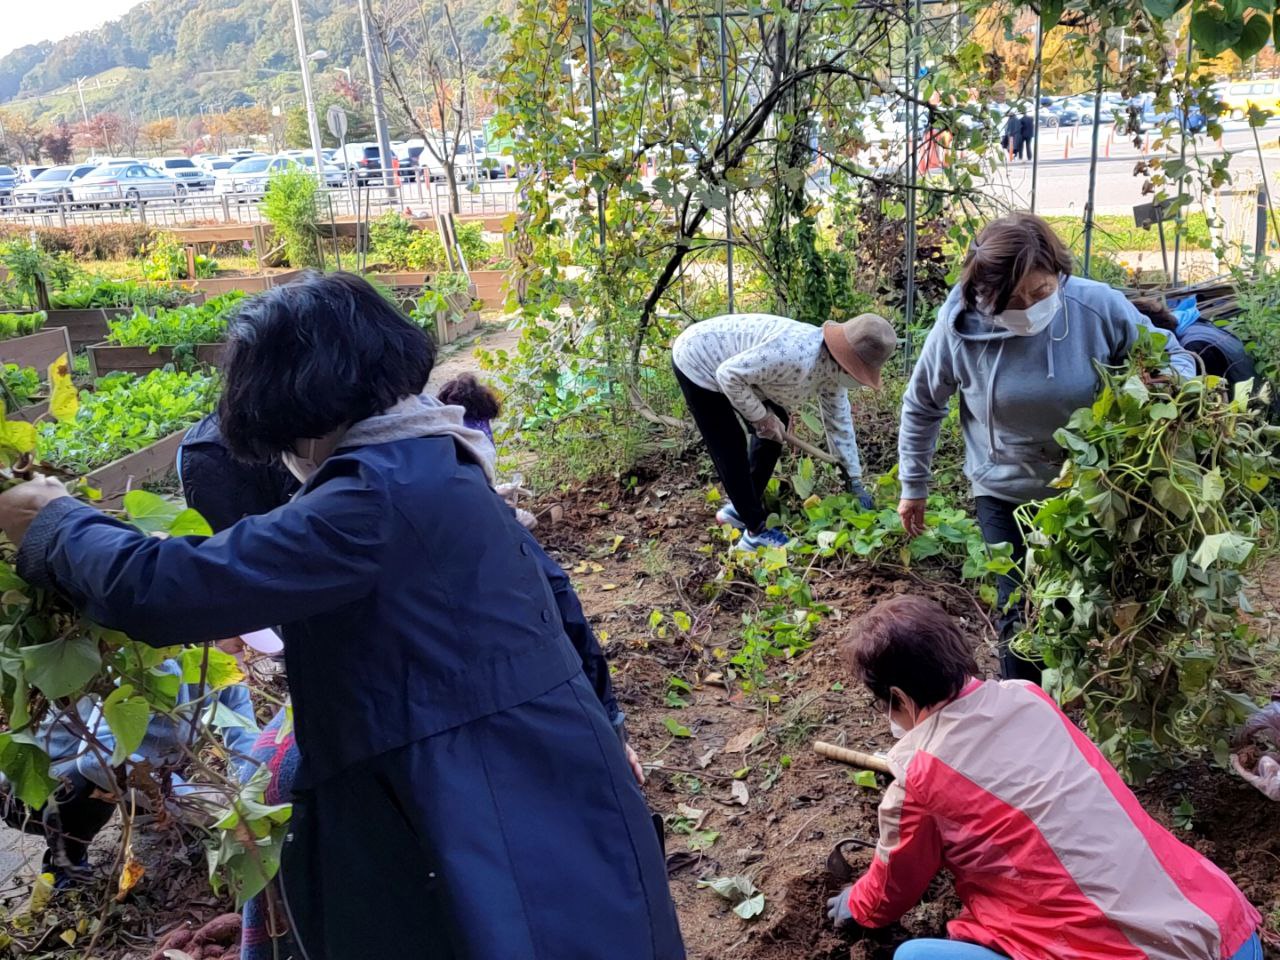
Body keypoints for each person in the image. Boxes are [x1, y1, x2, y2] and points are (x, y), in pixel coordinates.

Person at [0, 272, 684, 960]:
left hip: (471, 784)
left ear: (296, 404)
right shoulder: (438, 461)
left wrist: (54, 526)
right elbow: (559, 596)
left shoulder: (369, 501)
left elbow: (167, 589)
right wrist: (610, 721)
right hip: (537, 765)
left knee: (491, 928)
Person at [825, 594, 1263, 960]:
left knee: (913, 957)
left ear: (898, 696)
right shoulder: (1029, 697)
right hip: (1227, 931)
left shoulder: (919, 778)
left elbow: (892, 889)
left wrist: (855, 905)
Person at [897, 212, 1195, 681]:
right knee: (1021, 610)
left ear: (1058, 274)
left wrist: (1170, 380)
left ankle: (1079, 696)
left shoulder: (1096, 306)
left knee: (1081, 604)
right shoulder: (959, 326)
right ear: (985, 295)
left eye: (1040, 293)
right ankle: (1025, 709)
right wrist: (913, 484)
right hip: (1003, 489)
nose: (1029, 307)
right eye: (1012, 300)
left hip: (1090, 490)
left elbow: (1173, 354)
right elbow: (922, 403)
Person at [672, 312, 897, 550]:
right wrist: (760, 418)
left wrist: (854, 479)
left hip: (736, 372)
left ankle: (739, 510)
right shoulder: (796, 356)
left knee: (776, 423)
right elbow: (728, 375)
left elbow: (838, 422)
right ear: (847, 362)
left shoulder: (832, 373)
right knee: (730, 445)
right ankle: (755, 531)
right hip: (699, 359)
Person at [1133, 297, 1257, 388]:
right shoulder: (1187, 321)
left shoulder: (1192, 347)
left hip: (1248, 398)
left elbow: (1198, 388)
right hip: (1252, 381)